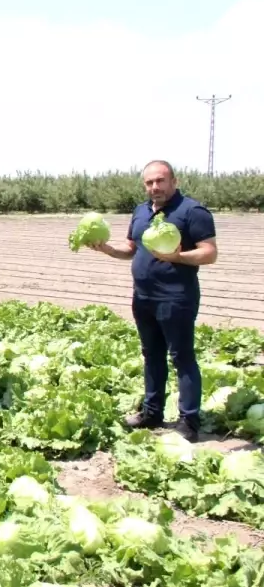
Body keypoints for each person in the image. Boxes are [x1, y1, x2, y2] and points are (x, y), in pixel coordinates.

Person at [88, 160, 217, 443]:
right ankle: (152, 412)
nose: (154, 187)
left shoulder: (192, 211)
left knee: (182, 357)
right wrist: (107, 249)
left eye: (160, 181)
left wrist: (178, 258)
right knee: (151, 355)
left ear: (174, 181)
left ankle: (189, 420)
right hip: (143, 296)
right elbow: (131, 249)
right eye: (149, 183)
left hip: (176, 297)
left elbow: (209, 253)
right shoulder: (141, 211)